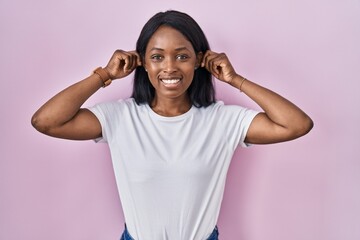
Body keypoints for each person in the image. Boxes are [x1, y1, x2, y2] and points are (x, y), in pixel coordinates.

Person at [31, 10, 313, 240]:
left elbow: (296, 124)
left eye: (182, 56)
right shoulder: (121, 117)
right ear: (141, 62)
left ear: (200, 61)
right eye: (157, 57)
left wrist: (235, 80)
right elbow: (46, 121)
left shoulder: (223, 120)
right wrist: (104, 74)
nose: (170, 67)